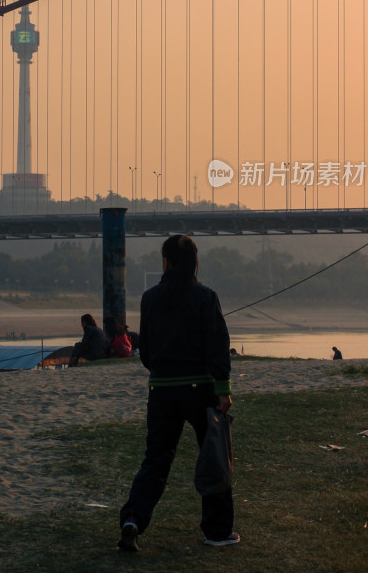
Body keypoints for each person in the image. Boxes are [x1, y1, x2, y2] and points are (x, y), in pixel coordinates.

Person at [118, 234, 239, 551]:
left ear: (165, 262)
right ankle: (217, 532)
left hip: (161, 390)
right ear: (195, 263)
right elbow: (218, 347)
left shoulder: (149, 298)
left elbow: (146, 351)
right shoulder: (205, 297)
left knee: (155, 462)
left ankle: (132, 518)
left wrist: (162, 373)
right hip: (200, 389)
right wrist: (223, 389)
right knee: (213, 458)